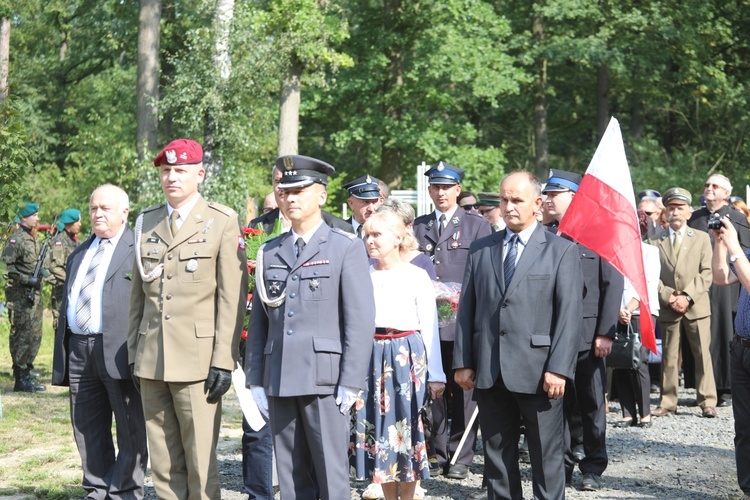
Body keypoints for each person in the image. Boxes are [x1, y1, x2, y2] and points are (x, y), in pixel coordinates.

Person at [245, 154, 375, 500]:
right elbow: (260, 321)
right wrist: (255, 378)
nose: (290, 198)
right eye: (285, 191)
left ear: (321, 195)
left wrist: (351, 381)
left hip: (325, 380)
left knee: (330, 473)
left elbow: (359, 321)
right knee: (288, 474)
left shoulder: (344, 247)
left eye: (300, 190)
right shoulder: (271, 251)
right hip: (280, 375)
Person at [128, 138, 248, 499]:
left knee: (199, 461)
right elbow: (139, 294)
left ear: (200, 174)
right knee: (163, 464)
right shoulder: (147, 221)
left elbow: (232, 298)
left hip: (198, 362)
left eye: (180, 171)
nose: (172, 178)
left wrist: (223, 361)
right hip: (153, 359)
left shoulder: (221, 221)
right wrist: (135, 352)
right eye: (166, 171)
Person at [453, 171, 583, 500]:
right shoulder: (481, 249)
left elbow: (569, 317)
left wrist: (560, 368)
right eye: (504, 199)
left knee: (546, 456)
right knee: (496, 457)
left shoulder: (560, 251)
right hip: (490, 370)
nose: (508, 207)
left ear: (538, 204)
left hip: (540, 372)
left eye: (517, 200)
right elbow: (468, 310)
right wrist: (464, 361)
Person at [51, 185, 147, 499]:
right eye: (93, 208)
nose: (97, 214)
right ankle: (97, 487)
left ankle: (125, 490)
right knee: (87, 424)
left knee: (131, 426)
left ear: (124, 212)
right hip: (79, 349)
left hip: (119, 349)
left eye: (105, 208)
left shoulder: (139, 249)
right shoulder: (80, 252)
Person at [352, 210, 446, 500]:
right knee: (380, 433)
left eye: (376, 234)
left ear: (398, 237)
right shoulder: (360, 274)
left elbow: (430, 327)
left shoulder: (416, 275)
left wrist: (436, 374)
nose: (370, 241)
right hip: (370, 356)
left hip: (406, 355)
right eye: (367, 235)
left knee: (405, 431)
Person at [542, 169, 622, 491]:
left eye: (554, 194)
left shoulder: (597, 233)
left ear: (573, 197)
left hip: (588, 336)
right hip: (550, 335)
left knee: (590, 403)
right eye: (546, 194)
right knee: (556, 403)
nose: (547, 199)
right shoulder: (545, 234)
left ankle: (592, 466)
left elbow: (611, 283)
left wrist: (605, 332)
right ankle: (560, 466)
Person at [412, 161, 491, 479]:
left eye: (447, 187)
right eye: (435, 187)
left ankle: (461, 455)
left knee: (465, 390)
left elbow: (485, 275)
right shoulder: (419, 226)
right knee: (435, 391)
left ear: (458, 190)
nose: (441, 192)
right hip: (428, 323)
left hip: (463, 324)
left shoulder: (476, 226)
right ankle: (439, 450)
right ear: (429, 190)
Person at [651, 187, 718, 418]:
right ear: (665, 212)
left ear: (689, 212)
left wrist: (687, 296)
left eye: (680, 208)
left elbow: (707, 272)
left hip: (696, 307)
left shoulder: (701, 238)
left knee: (702, 355)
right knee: (669, 357)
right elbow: (651, 275)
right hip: (668, 307)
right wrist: (669, 296)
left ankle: (707, 400)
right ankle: (667, 402)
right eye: (671, 208)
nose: (675, 212)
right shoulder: (653, 241)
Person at [688, 174, 750, 407]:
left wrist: (730, 244)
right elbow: (717, 273)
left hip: (730, 293)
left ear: (726, 193)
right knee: (702, 338)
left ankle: (724, 387)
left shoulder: (736, 218)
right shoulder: (695, 218)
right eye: (707, 185)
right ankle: (703, 388)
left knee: (724, 332)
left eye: (716, 186)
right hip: (701, 284)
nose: (709, 189)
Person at [710, 215, 750, 497]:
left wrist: (734, 245)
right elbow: (721, 277)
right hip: (741, 348)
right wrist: (720, 244)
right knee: (744, 425)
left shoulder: (743, 252)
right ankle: (748, 487)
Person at [612, 210, 660, 429]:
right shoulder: (614, 251)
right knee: (621, 360)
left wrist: (629, 308)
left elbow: (648, 285)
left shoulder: (649, 252)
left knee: (639, 361)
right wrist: (617, 309)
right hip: (617, 311)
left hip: (641, 312)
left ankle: (645, 413)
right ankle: (627, 412)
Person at [1, 202, 45, 392]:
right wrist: (27, 279)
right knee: (21, 336)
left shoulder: (32, 239)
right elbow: (6, 268)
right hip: (20, 295)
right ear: (24, 218)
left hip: (34, 296)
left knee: (34, 335)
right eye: (34, 215)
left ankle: (27, 372)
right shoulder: (16, 240)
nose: (37, 218)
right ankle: (20, 379)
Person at [249, 164, 353, 235]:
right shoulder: (256, 225)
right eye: (278, 181)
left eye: (294, 186)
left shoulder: (340, 229)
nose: (282, 187)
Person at [46, 208, 82, 333]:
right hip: (63, 292)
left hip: (75, 292)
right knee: (62, 329)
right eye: (78, 222)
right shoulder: (59, 242)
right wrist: (73, 280)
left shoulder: (76, 242)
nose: (80, 224)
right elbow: (55, 267)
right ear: (70, 223)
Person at [343, 174, 384, 238]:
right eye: (366, 202)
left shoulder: (387, 231)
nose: (371, 209)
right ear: (351, 203)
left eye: (375, 202)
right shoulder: (340, 231)